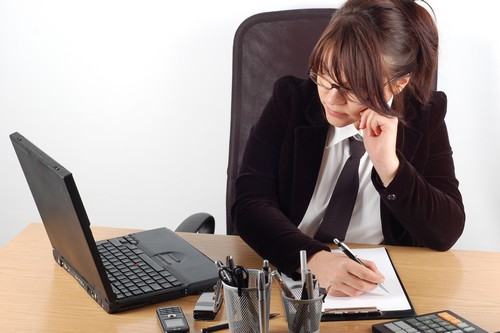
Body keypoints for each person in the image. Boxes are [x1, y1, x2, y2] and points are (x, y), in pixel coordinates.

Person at [232, 0, 465, 297]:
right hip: (289, 282)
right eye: (323, 77)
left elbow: (446, 231)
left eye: (351, 88)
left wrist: (389, 165)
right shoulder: (291, 102)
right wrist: (313, 261)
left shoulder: (424, 118)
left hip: (380, 288)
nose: (331, 99)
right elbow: (250, 204)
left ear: (399, 82)